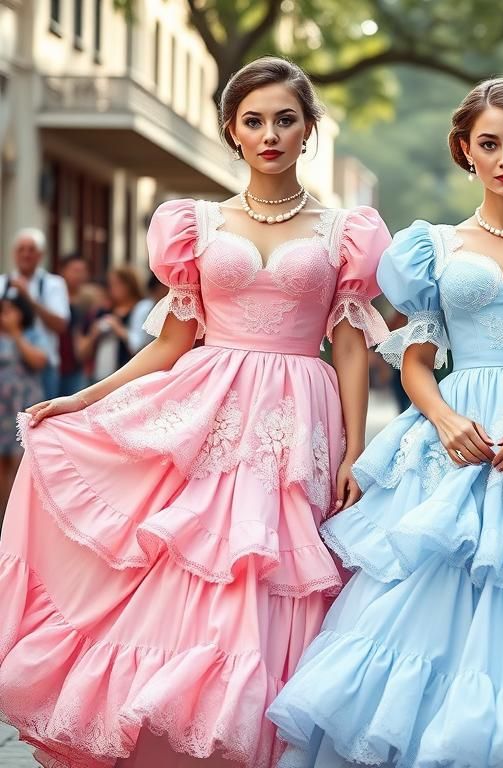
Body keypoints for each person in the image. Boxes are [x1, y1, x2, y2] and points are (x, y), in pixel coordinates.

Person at [0, 56, 391, 768]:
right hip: (206, 411)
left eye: (285, 119)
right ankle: (178, 737)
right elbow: (173, 342)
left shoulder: (347, 232)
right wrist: (87, 397)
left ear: (308, 131)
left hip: (299, 417)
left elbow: (352, 350)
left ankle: (267, 738)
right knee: (196, 566)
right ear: (231, 131)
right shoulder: (195, 225)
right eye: (253, 121)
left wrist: (356, 451)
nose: (269, 133)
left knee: (276, 570)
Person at [268, 77, 503, 768]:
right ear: (464, 151)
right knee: (424, 589)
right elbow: (413, 362)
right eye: (489, 143)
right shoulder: (430, 248)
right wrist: (441, 418)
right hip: (454, 438)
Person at [0, 229, 70, 399]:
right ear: (13, 254)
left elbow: (60, 325)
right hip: (5, 364)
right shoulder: (2, 283)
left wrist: (29, 299)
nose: (26, 254)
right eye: (21, 249)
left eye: (31, 250)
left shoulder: (53, 284)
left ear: (40, 255)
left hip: (42, 366)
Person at [0, 289, 47, 517]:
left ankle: (18, 517)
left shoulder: (32, 333)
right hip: (1, 406)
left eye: (10, 310)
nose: (5, 315)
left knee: (21, 463)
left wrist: (16, 334)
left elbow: (39, 361)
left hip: (23, 403)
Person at [56, 254, 92, 397]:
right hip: (54, 361)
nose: (80, 275)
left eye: (83, 271)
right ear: (62, 271)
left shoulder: (91, 299)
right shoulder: (54, 296)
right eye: (75, 270)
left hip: (78, 366)